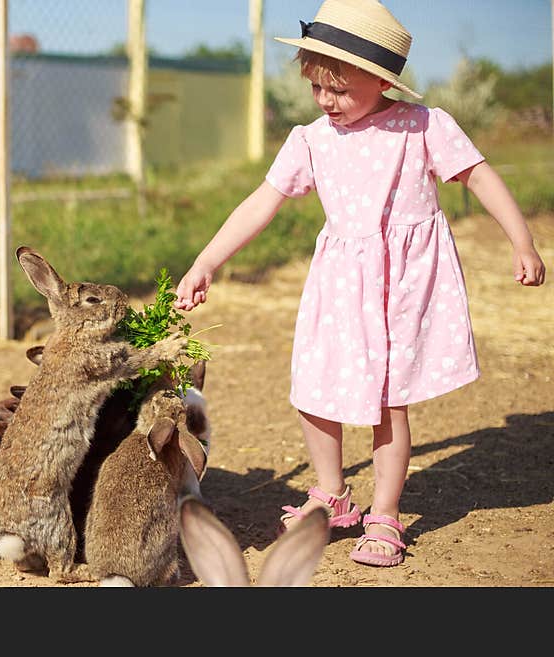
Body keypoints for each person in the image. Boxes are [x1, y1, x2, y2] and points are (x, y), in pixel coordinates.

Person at [173, 0, 546, 567]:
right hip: (339, 284)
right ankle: (332, 493)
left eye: (340, 89)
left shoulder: (423, 127)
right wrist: (206, 261)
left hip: (402, 288)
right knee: (313, 389)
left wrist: (522, 240)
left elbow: (479, 176)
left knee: (387, 404)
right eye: (318, 87)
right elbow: (261, 203)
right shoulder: (310, 139)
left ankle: (386, 514)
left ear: (382, 79)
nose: (327, 100)